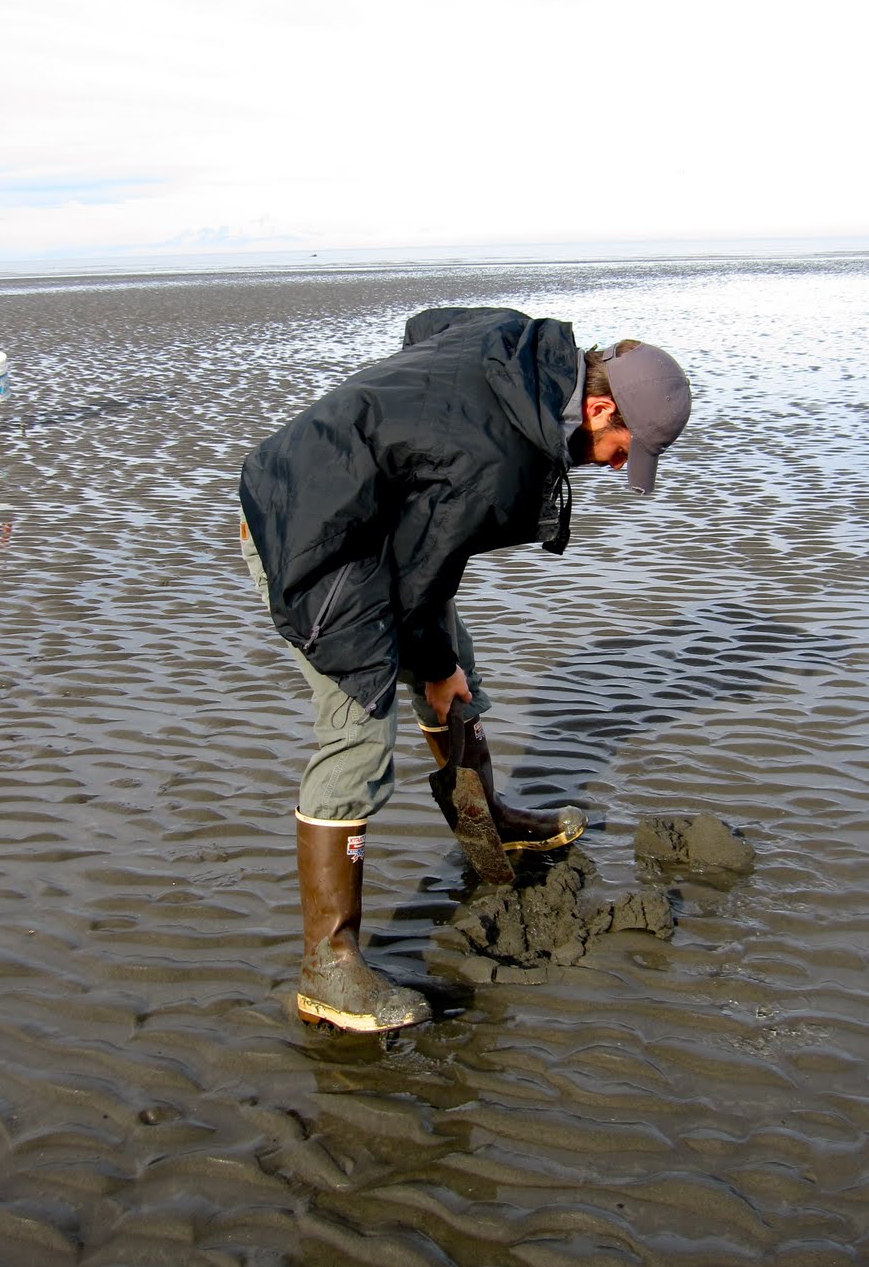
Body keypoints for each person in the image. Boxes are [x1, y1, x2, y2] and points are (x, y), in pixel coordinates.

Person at [239, 305, 691, 1034]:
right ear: (600, 405)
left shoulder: (514, 342)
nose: (612, 466)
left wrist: (411, 428)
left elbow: (427, 326)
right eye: (619, 449)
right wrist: (435, 667)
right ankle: (329, 968)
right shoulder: (499, 463)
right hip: (310, 532)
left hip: (369, 510)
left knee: (454, 666)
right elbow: (416, 584)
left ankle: (487, 821)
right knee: (360, 727)